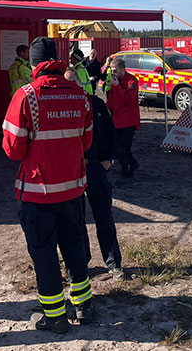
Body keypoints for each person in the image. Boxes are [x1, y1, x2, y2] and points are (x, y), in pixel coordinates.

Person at [2, 37, 94, 334]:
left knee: (43, 253)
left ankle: (54, 316)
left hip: (38, 191)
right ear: (59, 61)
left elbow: (13, 149)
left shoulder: (26, 96)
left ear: (33, 65)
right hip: (73, 189)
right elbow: (87, 141)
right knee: (75, 246)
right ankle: (84, 306)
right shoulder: (80, 94)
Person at [63, 68, 123, 280]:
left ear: (79, 83)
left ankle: (114, 263)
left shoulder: (95, 104)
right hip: (72, 172)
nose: (70, 87)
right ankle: (82, 263)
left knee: (104, 218)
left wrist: (109, 159)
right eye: (66, 84)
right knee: (75, 221)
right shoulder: (61, 108)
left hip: (96, 168)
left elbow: (111, 132)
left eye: (72, 83)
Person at [106, 57, 141, 184]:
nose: (113, 73)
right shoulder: (115, 80)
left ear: (122, 69)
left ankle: (128, 170)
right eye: (111, 71)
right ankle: (129, 165)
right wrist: (106, 108)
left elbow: (128, 99)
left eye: (115, 71)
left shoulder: (131, 81)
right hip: (117, 119)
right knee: (116, 148)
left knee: (123, 148)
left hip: (128, 121)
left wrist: (117, 86)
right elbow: (112, 99)